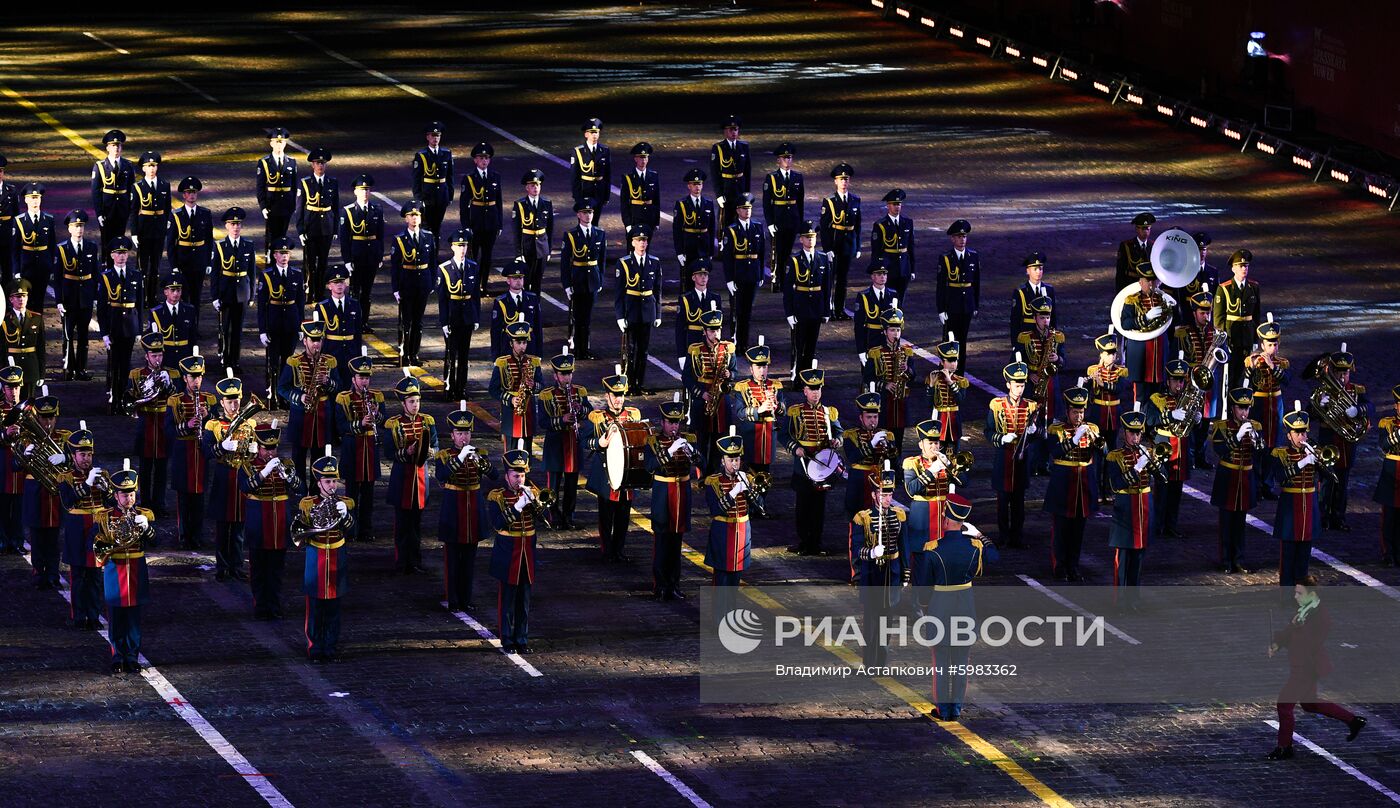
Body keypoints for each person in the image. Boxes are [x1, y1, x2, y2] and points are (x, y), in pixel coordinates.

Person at [1266, 581, 1367, 760]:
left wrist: (1297, 627)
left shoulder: (1321, 617)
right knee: (1310, 703)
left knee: (1284, 705)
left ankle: (1284, 747)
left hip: (1306, 667)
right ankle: (1353, 721)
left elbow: (1311, 642)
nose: (1295, 596)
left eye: (1299, 593)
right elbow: (1290, 631)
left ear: (1312, 594)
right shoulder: (1305, 610)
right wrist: (1278, 643)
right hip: (1302, 664)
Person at [927, 493, 997, 721]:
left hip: (940, 606)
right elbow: (995, 558)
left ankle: (942, 709)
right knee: (960, 663)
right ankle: (955, 709)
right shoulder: (974, 546)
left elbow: (923, 585)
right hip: (965, 606)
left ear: (946, 520)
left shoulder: (932, 548)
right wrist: (980, 535)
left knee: (941, 664)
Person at [93, 464, 155, 674]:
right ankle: (117, 656)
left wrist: (147, 528)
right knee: (117, 617)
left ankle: (132, 656)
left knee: (134, 619)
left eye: (131, 494)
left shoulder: (144, 515)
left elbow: (155, 542)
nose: (128, 499)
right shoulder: (105, 516)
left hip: (137, 569)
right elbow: (94, 543)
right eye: (124, 494)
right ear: (116, 496)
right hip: (115, 570)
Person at [295, 449, 355, 663]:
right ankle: (314, 647)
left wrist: (345, 515)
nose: (332, 485)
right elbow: (300, 532)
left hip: (337, 555)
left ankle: (330, 646)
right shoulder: (308, 504)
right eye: (327, 481)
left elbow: (351, 532)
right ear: (318, 483)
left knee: (333, 607)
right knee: (315, 607)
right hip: (316, 556)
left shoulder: (345, 502)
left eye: (334, 481)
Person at [435, 406, 496, 612]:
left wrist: (483, 464)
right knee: (452, 560)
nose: (464, 437)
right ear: (452, 435)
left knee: (469, 561)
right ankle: (453, 599)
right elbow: (442, 476)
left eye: (467, 433)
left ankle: (466, 598)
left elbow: (495, 475)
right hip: (454, 510)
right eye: (460, 433)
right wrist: (460, 458)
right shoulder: (444, 455)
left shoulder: (480, 453)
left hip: (473, 511)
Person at [240, 421, 301, 619]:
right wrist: (264, 472)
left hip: (280, 523)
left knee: (276, 569)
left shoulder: (286, 464)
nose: (270, 453)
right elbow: (246, 487)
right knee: (258, 569)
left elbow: (301, 488)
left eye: (273, 448)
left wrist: (288, 478)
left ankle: (274, 606)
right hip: (259, 523)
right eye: (266, 449)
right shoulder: (249, 466)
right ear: (258, 448)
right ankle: (260, 606)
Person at [201, 372, 257, 582]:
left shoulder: (248, 424)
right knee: (223, 526)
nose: (234, 406)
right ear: (222, 402)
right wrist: (221, 447)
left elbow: (253, 453)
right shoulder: (213, 425)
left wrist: (254, 450)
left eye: (236, 401)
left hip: (242, 475)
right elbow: (206, 452)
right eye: (230, 401)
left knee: (240, 525)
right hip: (224, 476)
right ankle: (222, 566)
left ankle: (236, 564)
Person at [487, 444, 543, 654]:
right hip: (508, 551)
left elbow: (545, 519)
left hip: (527, 551)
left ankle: (522, 638)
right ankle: (507, 639)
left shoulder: (532, 492)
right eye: (515, 475)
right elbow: (498, 523)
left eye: (522, 475)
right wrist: (518, 506)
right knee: (508, 599)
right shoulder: (497, 496)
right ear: (506, 476)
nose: (519, 479)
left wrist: (535, 502)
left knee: (524, 600)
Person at [582, 368, 642, 561]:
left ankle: (619, 549)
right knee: (606, 516)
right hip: (607, 476)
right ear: (607, 396)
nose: (619, 400)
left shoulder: (633, 416)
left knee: (624, 516)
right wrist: (599, 443)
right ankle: (607, 550)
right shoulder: (598, 418)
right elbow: (584, 441)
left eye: (621, 395)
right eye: (615, 395)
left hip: (627, 476)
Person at [1310, 346, 1371, 531]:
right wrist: (1319, 405)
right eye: (1339, 373)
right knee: (1327, 481)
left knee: (1342, 483)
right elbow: (1309, 413)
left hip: (1346, 443)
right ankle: (1323, 516)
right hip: (1328, 438)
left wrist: (1358, 410)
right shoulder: (1323, 391)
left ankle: (1339, 516)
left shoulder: (1356, 390)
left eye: (1346, 373)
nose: (1343, 378)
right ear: (1333, 372)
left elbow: (1370, 407)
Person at [1044, 387, 1101, 581]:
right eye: (1075, 412)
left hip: (1083, 486)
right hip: (1063, 484)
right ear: (1067, 411)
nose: (1079, 416)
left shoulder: (1092, 429)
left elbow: (1104, 449)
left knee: (1078, 531)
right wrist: (1074, 440)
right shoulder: (1056, 429)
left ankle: (1073, 566)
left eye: (1082, 412)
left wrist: (1095, 440)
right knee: (1061, 529)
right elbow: (1055, 453)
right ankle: (1059, 565)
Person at [645, 397, 700, 601]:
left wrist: (691, 452)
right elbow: (649, 466)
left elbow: (701, 461)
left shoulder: (688, 439)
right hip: (663, 493)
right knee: (662, 542)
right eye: (670, 422)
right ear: (663, 422)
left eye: (677, 422)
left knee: (676, 544)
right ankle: (660, 585)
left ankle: (674, 584)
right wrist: (669, 451)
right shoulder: (653, 441)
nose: (674, 426)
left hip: (682, 492)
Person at [783, 366, 842, 556]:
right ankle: (803, 541)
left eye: (818, 389)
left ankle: (816, 541)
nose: (815, 393)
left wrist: (837, 440)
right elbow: (784, 435)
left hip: (822, 464)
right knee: (803, 506)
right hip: (803, 465)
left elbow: (839, 432)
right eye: (812, 389)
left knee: (819, 506)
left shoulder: (828, 412)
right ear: (805, 391)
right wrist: (795, 448)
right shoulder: (795, 412)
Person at [901, 419, 960, 608]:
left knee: (942, 560)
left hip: (943, 516)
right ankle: (918, 604)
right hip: (923, 516)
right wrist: (931, 471)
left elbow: (964, 481)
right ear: (921, 444)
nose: (934, 446)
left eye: (937, 443)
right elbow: (911, 489)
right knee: (922, 562)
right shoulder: (912, 463)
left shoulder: (945, 461)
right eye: (930, 443)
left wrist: (949, 465)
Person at [852, 466, 905, 668]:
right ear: (874, 495)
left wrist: (905, 573)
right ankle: (869, 662)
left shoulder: (899, 516)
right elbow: (856, 548)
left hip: (891, 574)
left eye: (890, 494)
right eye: (884, 495)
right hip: (872, 574)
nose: (887, 499)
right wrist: (872, 553)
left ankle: (881, 662)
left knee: (887, 622)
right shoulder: (863, 517)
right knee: (872, 622)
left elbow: (903, 545)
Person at [384, 374, 437, 575]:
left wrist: (428, 451)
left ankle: (414, 561)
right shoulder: (394, 423)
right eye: (411, 401)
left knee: (416, 524)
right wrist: (406, 452)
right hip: (402, 477)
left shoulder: (427, 421)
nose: (415, 405)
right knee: (402, 524)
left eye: (417, 401)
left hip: (420, 478)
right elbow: (389, 452)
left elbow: (435, 444)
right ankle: (401, 561)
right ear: (404, 403)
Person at [279, 319, 341, 481]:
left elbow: (339, 387)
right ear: (305, 340)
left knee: (320, 458)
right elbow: (282, 388)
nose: (316, 344)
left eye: (319, 340)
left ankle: (317, 490)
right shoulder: (294, 362)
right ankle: (299, 489)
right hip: (301, 416)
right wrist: (299, 397)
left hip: (322, 417)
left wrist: (328, 382)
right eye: (313, 340)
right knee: (298, 457)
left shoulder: (329, 361)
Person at [165, 352, 216, 550]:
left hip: (201, 452)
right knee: (184, 497)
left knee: (199, 497)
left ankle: (197, 534)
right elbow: (168, 430)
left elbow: (218, 425)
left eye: (199, 377)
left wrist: (208, 415)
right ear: (185, 378)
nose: (196, 381)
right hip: (183, 453)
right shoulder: (175, 400)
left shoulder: (209, 399)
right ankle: (184, 535)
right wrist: (187, 425)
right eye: (192, 377)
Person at [1107, 407, 1156, 609]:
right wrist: (1136, 469)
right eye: (1132, 433)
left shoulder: (1147, 452)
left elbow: (1162, 476)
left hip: (1143, 507)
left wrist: (1153, 462)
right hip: (1126, 509)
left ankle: (1134, 599)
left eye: (1138, 433)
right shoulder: (1114, 456)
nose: (1136, 437)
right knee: (1124, 558)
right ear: (1124, 433)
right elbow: (1116, 484)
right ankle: (1120, 601)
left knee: (1139, 557)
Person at [333, 351, 385, 543]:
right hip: (352, 448)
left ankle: (366, 529)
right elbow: (339, 426)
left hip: (370, 448)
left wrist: (377, 416)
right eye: (361, 378)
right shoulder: (343, 398)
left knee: (369, 494)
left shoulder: (376, 397)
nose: (364, 382)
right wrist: (360, 423)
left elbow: (384, 421)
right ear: (353, 379)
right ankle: (350, 528)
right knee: (351, 493)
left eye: (367, 378)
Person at [985, 357, 1036, 548]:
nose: (1020, 389)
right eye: (1016, 385)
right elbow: (988, 431)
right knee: (1002, 503)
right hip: (1003, 458)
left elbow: (1040, 434)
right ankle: (1003, 536)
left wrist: (1034, 432)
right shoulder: (996, 404)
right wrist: (1001, 438)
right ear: (1008, 385)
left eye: (1022, 385)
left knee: (1018, 504)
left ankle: (1017, 537)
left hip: (1021, 460)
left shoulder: (1030, 406)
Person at [58, 425, 106, 631]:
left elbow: (113, 502)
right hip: (77, 529)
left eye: (89, 454)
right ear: (73, 455)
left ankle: (94, 615)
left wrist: (106, 490)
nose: (86, 458)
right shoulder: (65, 477)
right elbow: (68, 502)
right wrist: (87, 484)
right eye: (82, 454)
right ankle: (78, 616)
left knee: (95, 578)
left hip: (96, 528)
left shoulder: (101, 474)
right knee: (78, 577)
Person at [1210, 386, 1262, 574]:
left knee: (1240, 523)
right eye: (1241, 408)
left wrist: (1255, 440)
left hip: (1245, 478)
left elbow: (1260, 451)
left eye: (1247, 408)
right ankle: (1225, 560)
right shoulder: (1221, 427)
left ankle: (1239, 559)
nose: (1244, 412)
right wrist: (1238, 436)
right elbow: (1220, 450)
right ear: (1233, 408)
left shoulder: (1255, 426)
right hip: (1228, 477)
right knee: (1226, 522)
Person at [704, 433, 756, 619]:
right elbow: (715, 509)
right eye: (731, 459)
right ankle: (718, 618)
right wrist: (733, 493)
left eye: (737, 459)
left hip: (742, 532)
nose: (735, 464)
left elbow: (758, 507)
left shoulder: (746, 478)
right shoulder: (713, 481)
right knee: (722, 579)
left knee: (735, 579)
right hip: (723, 533)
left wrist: (750, 490)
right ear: (722, 460)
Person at [727, 338, 784, 505]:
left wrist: (777, 405)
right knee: (748, 473)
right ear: (751, 369)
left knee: (765, 475)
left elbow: (784, 410)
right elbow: (739, 412)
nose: (762, 371)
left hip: (768, 439)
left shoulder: (775, 386)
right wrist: (758, 410)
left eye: (765, 367)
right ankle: (749, 505)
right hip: (751, 438)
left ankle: (761, 504)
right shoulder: (742, 387)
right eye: (758, 367)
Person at [1171, 291, 1224, 469]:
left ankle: (1201, 455)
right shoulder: (1183, 333)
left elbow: (1225, 355)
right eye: (1202, 313)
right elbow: (1176, 359)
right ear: (1194, 313)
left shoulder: (1215, 333)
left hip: (1210, 383)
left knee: (1205, 419)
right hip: (1191, 381)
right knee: (1191, 418)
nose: (1206, 316)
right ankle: (1190, 455)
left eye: (1208, 312)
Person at [536, 349, 588, 529]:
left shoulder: (580, 392)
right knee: (554, 486)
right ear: (555, 375)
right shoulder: (546, 395)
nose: (567, 378)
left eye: (569, 373)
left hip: (573, 444)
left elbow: (589, 413)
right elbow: (542, 421)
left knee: (572, 486)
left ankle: (568, 516)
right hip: (556, 446)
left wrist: (580, 409)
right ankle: (554, 517)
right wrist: (562, 420)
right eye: (563, 374)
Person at [128, 332, 177, 517]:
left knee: (162, 468)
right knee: (146, 467)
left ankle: (160, 503)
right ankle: (145, 502)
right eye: (154, 355)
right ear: (146, 356)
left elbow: (176, 399)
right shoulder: (137, 374)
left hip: (164, 424)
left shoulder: (171, 373)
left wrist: (170, 385)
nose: (158, 359)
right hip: (146, 423)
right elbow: (130, 398)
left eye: (160, 355)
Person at [1273, 403, 1323, 587]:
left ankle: (1302, 594)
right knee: (1288, 556)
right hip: (1290, 509)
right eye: (1298, 433)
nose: (1302, 437)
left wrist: (1319, 461)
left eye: (1304, 433)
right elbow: (1280, 477)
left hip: (1309, 507)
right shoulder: (1280, 454)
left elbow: (1328, 476)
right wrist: (1303, 463)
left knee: (1304, 554)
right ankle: (1286, 595)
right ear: (1289, 435)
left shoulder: (1312, 451)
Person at [1145, 357, 1194, 538]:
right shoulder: (1157, 399)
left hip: (1181, 447)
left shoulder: (1187, 399)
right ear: (1168, 381)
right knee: (1162, 490)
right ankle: (1157, 526)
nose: (1179, 385)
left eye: (1182, 380)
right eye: (1175, 380)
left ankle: (1171, 525)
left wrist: (1194, 419)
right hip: (1164, 446)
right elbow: (1149, 421)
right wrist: (1170, 416)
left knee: (1176, 491)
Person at [683, 309, 737, 473]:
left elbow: (735, 371)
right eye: (712, 330)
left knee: (719, 439)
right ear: (705, 331)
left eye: (718, 330)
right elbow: (686, 377)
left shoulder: (728, 348)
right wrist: (701, 394)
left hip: (722, 401)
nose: (716, 333)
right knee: (701, 440)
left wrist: (730, 374)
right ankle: (701, 473)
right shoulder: (695, 350)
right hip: (702, 399)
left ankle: (714, 472)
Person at [256, 239, 307, 407]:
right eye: (281, 253)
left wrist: (301, 326)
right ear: (275, 255)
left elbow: (300, 302)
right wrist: (263, 330)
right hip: (274, 324)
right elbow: (262, 306)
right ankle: (272, 395)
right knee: (273, 363)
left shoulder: (297, 274)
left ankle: (285, 396)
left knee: (288, 362)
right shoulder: (267, 275)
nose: (284, 257)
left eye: (287, 253)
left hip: (291, 324)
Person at [1085, 330, 1134, 500]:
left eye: (1114, 353)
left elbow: (1119, 389)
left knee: (1111, 454)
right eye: (1109, 353)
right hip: (1098, 415)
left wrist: (1102, 383)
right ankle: (1097, 490)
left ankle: (1108, 488)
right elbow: (1087, 394)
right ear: (1102, 355)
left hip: (1113, 416)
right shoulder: (1093, 370)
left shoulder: (1121, 372)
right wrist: (1088, 383)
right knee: (1097, 454)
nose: (1113, 356)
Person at [390, 199, 439, 367]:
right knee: (407, 321)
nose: (414, 218)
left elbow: (433, 262)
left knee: (418, 322)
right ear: (406, 219)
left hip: (423, 283)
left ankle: (414, 353)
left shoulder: (428, 237)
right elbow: (395, 267)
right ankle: (405, 351)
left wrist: (432, 282)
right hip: (406, 283)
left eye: (417, 215)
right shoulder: (399, 239)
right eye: (411, 215)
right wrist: (396, 288)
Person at [98, 237, 144, 414]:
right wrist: (104, 333)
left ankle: (123, 400)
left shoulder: (135, 275)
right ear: (111, 255)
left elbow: (139, 304)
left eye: (124, 253)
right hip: (114, 326)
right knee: (114, 365)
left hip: (130, 326)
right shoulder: (106, 277)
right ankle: (114, 399)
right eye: (118, 253)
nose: (122, 256)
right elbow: (102, 308)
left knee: (126, 365)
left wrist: (139, 328)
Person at [1246, 315, 1290, 499]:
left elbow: (1287, 381)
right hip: (1259, 405)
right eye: (1269, 345)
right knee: (1258, 445)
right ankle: (1255, 486)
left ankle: (1268, 485)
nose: (1273, 348)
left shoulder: (1282, 363)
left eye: (1275, 344)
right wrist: (1257, 366)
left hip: (1275, 406)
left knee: (1274, 444)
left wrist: (1273, 367)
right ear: (1262, 345)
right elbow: (1250, 383)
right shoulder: (1252, 361)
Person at [54, 209, 101, 380]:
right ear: (69, 229)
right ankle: (68, 367)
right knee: (67, 336)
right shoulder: (61, 249)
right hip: (69, 297)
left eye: (81, 226)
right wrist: (59, 300)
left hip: (86, 298)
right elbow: (58, 278)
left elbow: (96, 274)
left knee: (83, 336)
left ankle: (81, 368)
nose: (79, 229)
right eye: (76, 226)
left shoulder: (91, 247)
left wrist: (95, 297)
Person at [863, 308, 918, 451]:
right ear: (885, 331)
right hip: (884, 401)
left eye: (898, 330)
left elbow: (913, 376)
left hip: (900, 403)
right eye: (892, 330)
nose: (896, 334)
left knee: (898, 440)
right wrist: (885, 385)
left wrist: (907, 370)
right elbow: (868, 378)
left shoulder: (906, 352)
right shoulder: (876, 353)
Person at [616, 225, 662, 395]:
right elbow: (619, 293)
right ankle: (629, 384)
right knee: (631, 350)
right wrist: (620, 316)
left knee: (643, 350)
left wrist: (658, 313)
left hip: (648, 311)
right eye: (639, 240)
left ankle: (639, 383)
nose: (642, 243)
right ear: (632, 242)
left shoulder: (654, 263)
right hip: (632, 311)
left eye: (644, 240)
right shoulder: (624, 263)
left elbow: (657, 290)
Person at [783, 221, 833, 378]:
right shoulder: (795, 260)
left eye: (813, 237)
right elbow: (788, 290)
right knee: (799, 345)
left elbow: (826, 287)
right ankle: (797, 376)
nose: (811, 240)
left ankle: (807, 378)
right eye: (807, 237)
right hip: (801, 308)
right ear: (801, 240)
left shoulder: (823, 259)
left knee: (811, 346)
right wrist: (789, 313)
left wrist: (826, 310)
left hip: (816, 308)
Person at [164, 177, 212, 336]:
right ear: (183, 195)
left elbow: (208, 239)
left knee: (197, 297)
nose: (191, 195)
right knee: (182, 297)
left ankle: (194, 328)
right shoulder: (176, 215)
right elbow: (171, 243)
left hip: (198, 261)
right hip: (183, 261)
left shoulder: (205, 214)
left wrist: (208, 261)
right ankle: (181, 328)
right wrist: (174, 265)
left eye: (194, 192)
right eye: (188, 192)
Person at [718, 191, 766, 352]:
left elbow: (762, 253)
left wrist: (760, 273)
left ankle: (744, 343)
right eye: (744, 209)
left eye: (749, 208)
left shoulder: (758, 227)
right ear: (738, 210)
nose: (747, 211)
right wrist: (729, 279)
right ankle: (736, 341)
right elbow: (727, 257)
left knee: (747, 311)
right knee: (736, 311)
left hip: (752, 274)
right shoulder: (731, 230)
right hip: (738, 275)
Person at [437, 228, 482, 399]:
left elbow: (475, 295)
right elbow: (442, 299)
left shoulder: (473, 267)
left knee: (464, 356)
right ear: (452, 248)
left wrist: (476, 317)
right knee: (451, 354)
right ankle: (449, 388)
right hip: (452, 317)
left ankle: (461, 388)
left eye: (464, 246)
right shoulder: (445, 268)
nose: (462, 249)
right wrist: (444, 322)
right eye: (459, 246)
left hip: (467, 317)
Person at [210, 207, 256, 375]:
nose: (236, 227)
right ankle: (225, 360)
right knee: (225, 329)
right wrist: (215, 296)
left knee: (237, 331)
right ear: (226, 226)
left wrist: (251, 294)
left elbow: (251, 272)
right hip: (226, 293)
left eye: (238, 224)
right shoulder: (220, 246)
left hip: (242, 293)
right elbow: (215, 274)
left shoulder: (248, 245)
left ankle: (234, 361)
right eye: (232, 224)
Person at [489, 322, 545, 456]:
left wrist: (534, 385)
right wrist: (511, 399)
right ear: (511, 344)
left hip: (529, 411)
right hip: (510, 413)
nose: (522, 346)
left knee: (527, 453)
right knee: (511, 454)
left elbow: (542, 385)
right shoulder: (502, 363)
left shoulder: (534, 362)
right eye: (518, 343)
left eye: (524, 343)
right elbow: (493, 389)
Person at [560, 199, 606, 360]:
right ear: (578, 215)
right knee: (579, 317)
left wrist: (600, 279)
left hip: (592, 280)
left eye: (591, 212)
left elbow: (602, 260)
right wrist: (567, 285)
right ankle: (579, 349)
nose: (588, 215)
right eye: (585, 213)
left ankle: (584, 348)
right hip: (577, 281)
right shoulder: (571, 235)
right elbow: (565, 263)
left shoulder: (600, 233)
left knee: (587, 318)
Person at [338, 173, 385, 329]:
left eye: (367, 190)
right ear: (355, 192)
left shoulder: (377, 210)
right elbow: (344, 239)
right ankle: (353, 321)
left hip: (371, 256)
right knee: (354, 291)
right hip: (356, 255)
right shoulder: (348, 211)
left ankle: (364, 321)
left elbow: (380, 235)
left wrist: (380, 255)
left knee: (367, 291)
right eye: (361, 189)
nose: (365, 193)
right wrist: (347, 260)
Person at [1120, 261, 1171, 399]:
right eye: (1147, 281)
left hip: (1158, 354)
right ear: (1140, 282)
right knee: (1141, 397)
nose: (1150, 284)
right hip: (1141, 354)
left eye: (1152, 281)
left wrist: (1173, 307)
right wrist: (1145, 317)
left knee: (1159, 396)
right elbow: (1125, 323)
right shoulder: (1132, 300)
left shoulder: (1162, 298)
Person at [1213, 249, 1261, 390]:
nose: (1244, 269)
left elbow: (1256, 315)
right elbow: (1218, 319)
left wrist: (1254, 341)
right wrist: (1224, 341)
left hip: (1247, 338)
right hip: (1231, 339)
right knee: (1231, 377)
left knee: (1247, 375)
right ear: (1233, 268)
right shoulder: (1224, 289)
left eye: (1246, 266)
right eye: (1240, 266)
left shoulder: (1254, 287)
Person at [935, 219, 979, 369]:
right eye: (959, 237)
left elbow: (976, 283)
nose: (962, 240)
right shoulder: (946, 258)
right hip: (951, 305)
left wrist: (975, 305)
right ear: (952, 239)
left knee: (962, 340)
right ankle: (946, 372)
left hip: (966, 304)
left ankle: (960, 373)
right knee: (949, 340)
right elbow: (941, 286)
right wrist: (941, 309)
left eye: (964, 237)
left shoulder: (973, 256)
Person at [128, 151, 170, 306]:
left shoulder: (165, 185)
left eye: (154, 166)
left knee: (156, 267)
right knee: (142, 267)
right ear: (143, 169)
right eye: (148, 166)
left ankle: (152, 297)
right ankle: (141, 297)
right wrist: (134, 233)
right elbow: (133, 211)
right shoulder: (137, 187)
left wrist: (166, 227)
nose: (152, 169)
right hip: (144, 230)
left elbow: (167, 209)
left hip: (158, 230)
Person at [295, 147, 338, 295]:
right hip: (310, 227)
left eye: (323, 163)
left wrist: (335, 229)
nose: (320, 166)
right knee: (310, 263)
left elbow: (336, 208)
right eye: (317, 163)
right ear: (312, 165)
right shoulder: (305, 183)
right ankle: (310, 291)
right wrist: (300, 230)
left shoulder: (332, 183)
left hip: (326, 227)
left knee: (323, 263)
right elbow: (299, 209)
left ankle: (319, 292)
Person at [819, 163, 862, 314]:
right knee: (830, 278)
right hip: (835, 242)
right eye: (841, 179)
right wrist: (827, 248)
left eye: (846, 179)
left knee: (843, 280)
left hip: (848, 244)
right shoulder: (829, 201)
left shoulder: (855, 200)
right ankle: (827, 308)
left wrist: (857, 246)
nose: (844, 182)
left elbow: (858, 225)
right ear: (835, 182)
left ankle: (839, 309)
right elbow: (824, 228)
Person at [460, 143, 502, 294]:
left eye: (486, 158)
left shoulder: (495, 176)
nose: (484, 161)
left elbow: (499, 202)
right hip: (475, 222)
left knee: (487, 256)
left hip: (491, 222)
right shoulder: (469, 178)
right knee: (473, 256)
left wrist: (500, 224)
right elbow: (464, 204)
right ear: (475, 160)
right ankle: (473, 284)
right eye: (481, 158)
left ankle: (483, 285)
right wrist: (466, 225)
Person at [762, 143, 804, 292]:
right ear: (778, 160)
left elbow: (800, 202)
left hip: (792, 220)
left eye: (790, 158)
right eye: (785, 158)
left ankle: (784, 279)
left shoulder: (798, 177)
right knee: (778, 251)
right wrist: (770, 223)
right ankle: (777, 278)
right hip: (778, 220)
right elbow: (767, 203)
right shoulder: (772, 178)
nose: (788, 160)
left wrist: (800, 223)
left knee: (787, 252)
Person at [672, 169, 717, 298]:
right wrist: (679, 251)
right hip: (688, 247)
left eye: (699, 184)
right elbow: (677, 230)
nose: (697, 187)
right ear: (689, 186)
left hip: (703, 248)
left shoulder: (708, 204)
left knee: (703, 280)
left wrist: (711, 252)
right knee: (687, 280)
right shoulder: (681, 205)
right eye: (694, 184)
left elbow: (712, 228)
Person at [13, 184, 56, 311]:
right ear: (26, 200)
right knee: (27, 301)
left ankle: (38, 329)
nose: (35, 201)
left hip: (43, 266)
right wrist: (16, 271)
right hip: (26, 266)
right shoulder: (19, 221)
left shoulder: (49, 219)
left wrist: (51, 265)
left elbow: (52, 245)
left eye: (37, 197)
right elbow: (15, 249)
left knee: (39, 300)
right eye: (32, 198)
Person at [490, 258, 543, 359]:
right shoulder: (501, 302)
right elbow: (495, 331)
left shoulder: (532, 299)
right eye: (515, 278)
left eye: (520, 278)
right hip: (508, 347)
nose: (518, 281)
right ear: (508, 281)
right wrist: (496, 356)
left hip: (529, 346)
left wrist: (539, 353)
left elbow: (538, 328)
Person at [511, 168, 553, 295]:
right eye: (532, 185)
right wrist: (519, 252)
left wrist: (549, 249)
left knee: (537, 281)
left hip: (542, 248)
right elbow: (516, 231)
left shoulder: (547, 203)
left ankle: (535, 309)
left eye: (538, 185)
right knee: (526, 280)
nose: (536, 188)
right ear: (527, 188)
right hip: (527, 247)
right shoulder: (520, 205)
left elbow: (550, 229)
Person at [256, 127, 298, 254]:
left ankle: (280, 262)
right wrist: (263, 206)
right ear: (271, 143)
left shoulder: (291, 162)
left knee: (283, 235)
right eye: (277, 142)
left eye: (282, 142)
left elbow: (294, 186)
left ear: (285, 143)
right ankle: (271, 262)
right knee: (271, 237)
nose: (279, 145)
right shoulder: (264, 163)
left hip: (286, 206)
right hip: (271, 205)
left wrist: (293, 205)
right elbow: (260, 186)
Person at [869, 189, 915, 304]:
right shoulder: (880, 225)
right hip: (888, 267)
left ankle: (898, 320)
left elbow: (911, 247)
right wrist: (877, 270)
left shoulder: (908, 223)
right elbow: (876, 250)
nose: (897, 207)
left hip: (904, 268)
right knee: (888, 299)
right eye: (894, 204)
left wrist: (912, 269)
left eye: (899, 204)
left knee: (901, 298)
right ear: (888, 205)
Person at [676, 259, 725, 366]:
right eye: (700, 275)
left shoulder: (716, 298)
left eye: (705, 275)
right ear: (693, 277)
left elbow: (720, 326)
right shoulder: (685, 299)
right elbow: (680, 329)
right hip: (692, 343)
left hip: (710, 344)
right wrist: (681, 354)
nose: (703, 277)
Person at [314, 265, 364, 370]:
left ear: (345, 284)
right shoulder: (322, 307)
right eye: (336, 283)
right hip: (332, 353)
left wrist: (358, 356)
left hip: (351, 352)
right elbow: (319, 335)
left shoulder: (354, 304)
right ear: (329, 286)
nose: (339, 285)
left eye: (341, 282)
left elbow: (358, 333)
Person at [0, 365, 26, 560]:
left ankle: (17, 540)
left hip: (21, 463)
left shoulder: (27, 410)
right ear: (3, 388)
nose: (13, 391)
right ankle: (2, 540)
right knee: (2, 503)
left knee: (19, 505)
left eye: (16, 387)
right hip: (3, 461)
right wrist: (4, 434)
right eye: (10, 387)